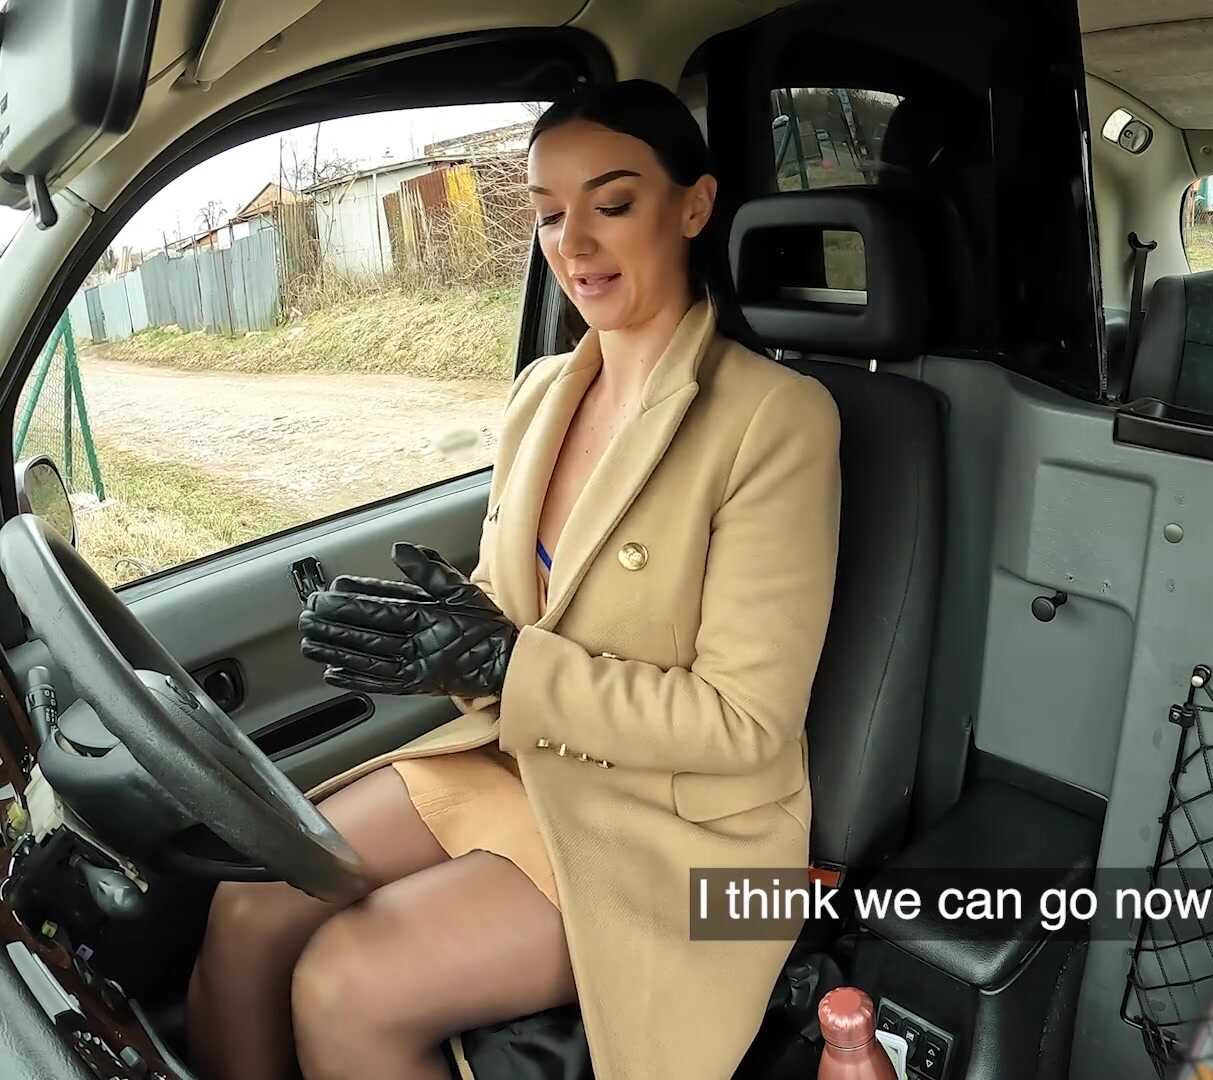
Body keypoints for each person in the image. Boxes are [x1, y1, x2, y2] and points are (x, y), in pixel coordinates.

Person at [186, 79, 842, 1080]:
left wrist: (506, 662)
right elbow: (507, 623)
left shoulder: (775, 419)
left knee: (346, 985)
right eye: (547, 214)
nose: (575, 244)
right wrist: (444, 640)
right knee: (248, 904)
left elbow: (743, 724)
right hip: (518, 760)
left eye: (612, 204)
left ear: (694, 206)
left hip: (672, 830)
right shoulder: (542, 392)